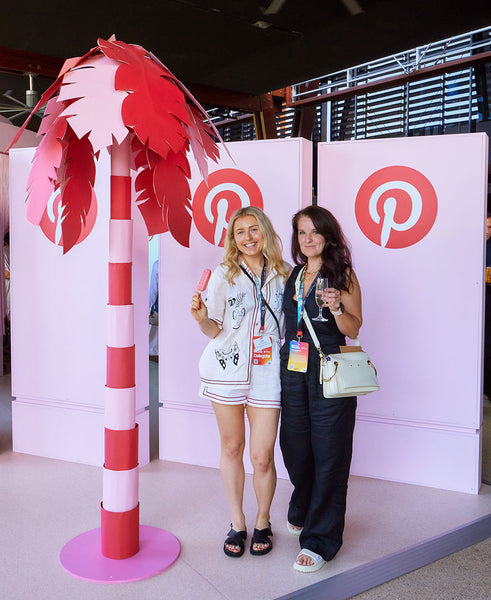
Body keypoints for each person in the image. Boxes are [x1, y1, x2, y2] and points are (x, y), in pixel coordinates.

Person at [190, 206, 289, 558]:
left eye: (253, 229)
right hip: (226, 371)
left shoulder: (285, 274)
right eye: (239, 232)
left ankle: (263, 520)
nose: (247, 237)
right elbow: (214, 328)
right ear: (233, 239)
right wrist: (203, 319)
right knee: (232, 447)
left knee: (262, 457)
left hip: (267, 373)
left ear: (265, 231)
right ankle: (237, 522)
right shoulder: (223, 274)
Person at [279, 205, 362, 573]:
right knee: (295, 446)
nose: (307, 239)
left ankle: (320, 539)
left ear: (327, 235)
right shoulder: (294, 274)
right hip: (294, 368)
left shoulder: (342, 274)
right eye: (301, 233)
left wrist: (339, 306)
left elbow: (354, 327)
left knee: (330, 453)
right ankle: (304, 503)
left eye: (314, 232)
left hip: (329, 369)